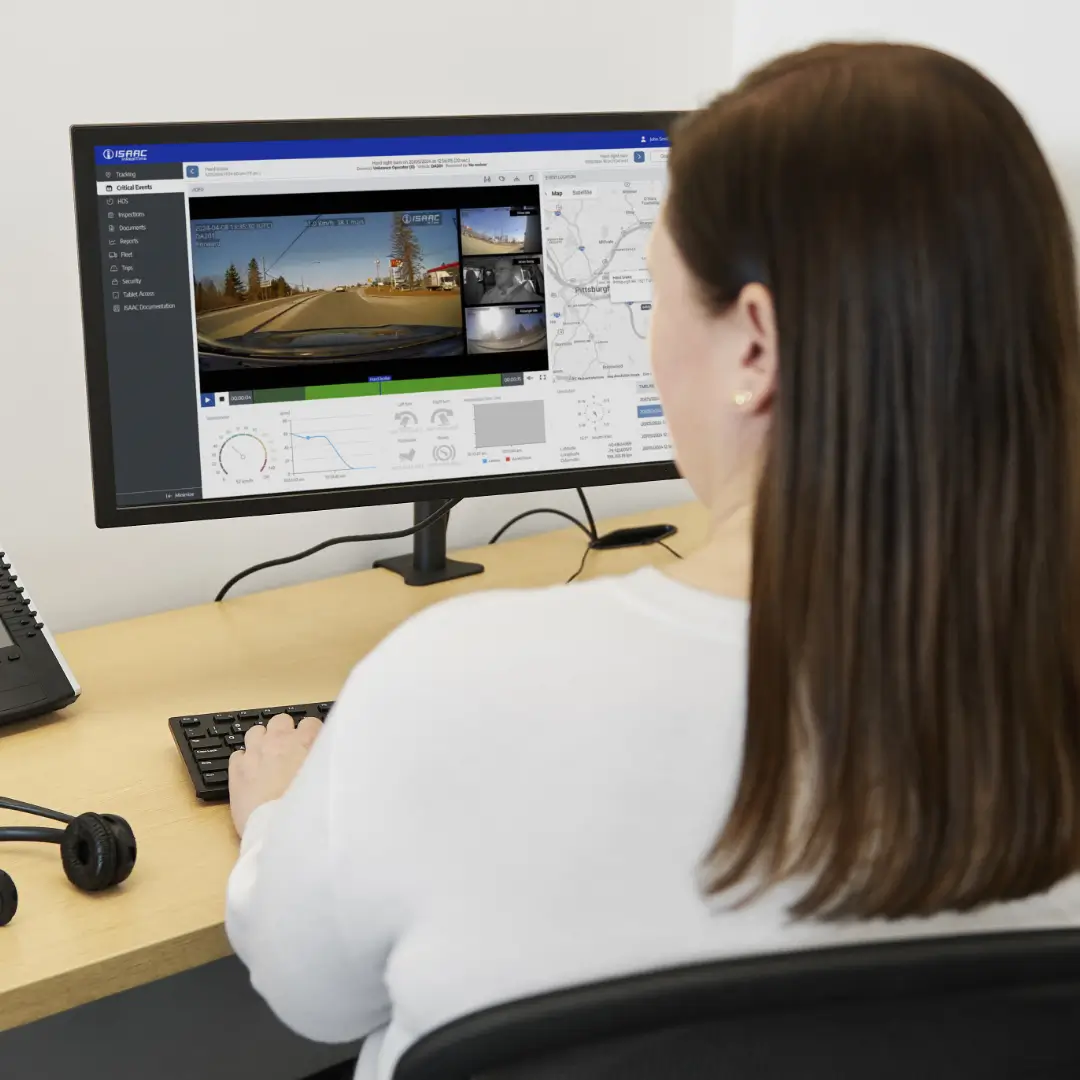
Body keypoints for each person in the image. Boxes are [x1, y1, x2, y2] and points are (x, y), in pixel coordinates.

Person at [224, 42, 1080, 1080]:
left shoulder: (446, 681)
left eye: (655, 296)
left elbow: (311, 997)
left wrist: (274, 811)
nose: (648, 341)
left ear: (755, 345)